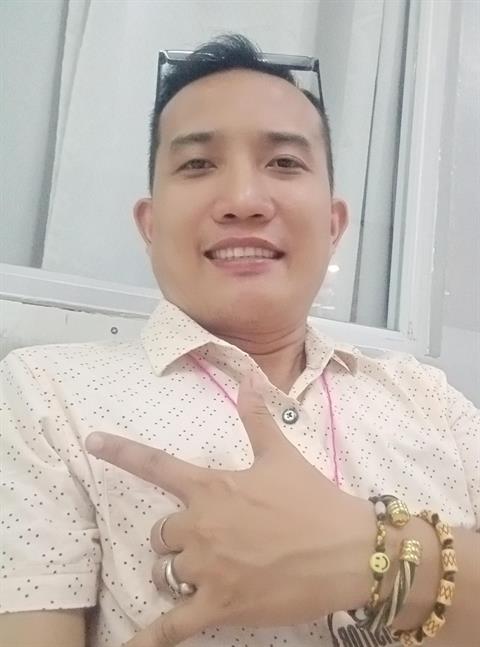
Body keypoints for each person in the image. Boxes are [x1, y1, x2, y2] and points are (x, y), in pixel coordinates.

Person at [0, 33, 478, 647]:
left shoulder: (431, 401)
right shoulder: (46, 394)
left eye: (285, 163)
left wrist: (372, 555)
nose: (244, 201)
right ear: (150, 224)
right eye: (198, 164)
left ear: (334, 224)